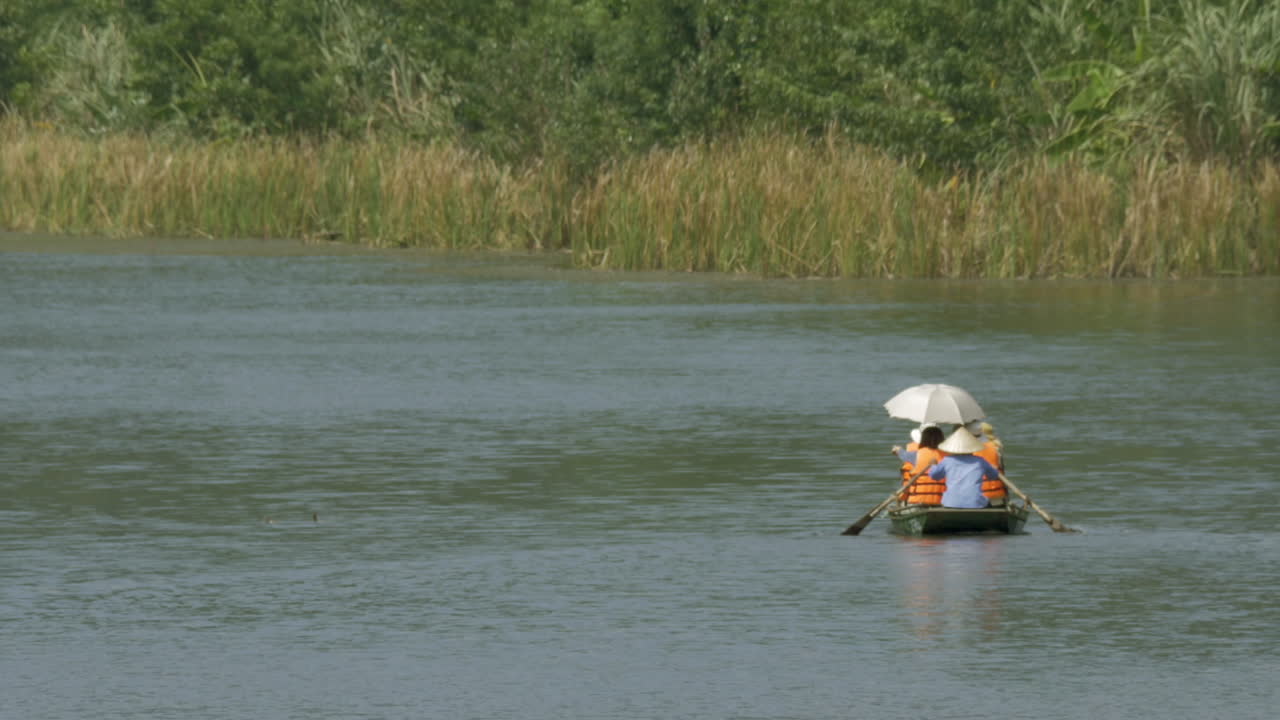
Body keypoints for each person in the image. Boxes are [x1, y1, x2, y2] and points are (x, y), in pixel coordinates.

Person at [926, 427, 1003, 508]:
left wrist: (934, 465)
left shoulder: (947, 460)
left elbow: (934, 476)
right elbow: (993, 476)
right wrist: (993, 468)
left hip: (951, 503)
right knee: (987, 503)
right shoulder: (980, 461)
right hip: (975, 504)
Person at [892, 425, 947, 505]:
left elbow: (903, 454)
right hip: (942, 501)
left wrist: (897, 450)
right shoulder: (949, 457)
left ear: (923, 439)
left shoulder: (916, 455)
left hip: (918, 501)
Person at [965, 420, 1007, 503]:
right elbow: (1002, 470)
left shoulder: (969, 449)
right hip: (997, 494)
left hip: (976, 495)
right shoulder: (996, 448)